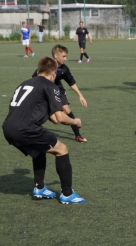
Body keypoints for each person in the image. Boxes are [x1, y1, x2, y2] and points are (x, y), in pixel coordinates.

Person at [2, 56, 86, 204]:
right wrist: (75, 121)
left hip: (8, 128)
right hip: (25, 128)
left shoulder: (25, 83)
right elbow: (60, 118)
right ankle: (67, 193)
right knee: (62, 149)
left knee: (41, 149)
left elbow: (53, 118)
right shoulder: (49, 85)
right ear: (53, 72)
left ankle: (39, 187)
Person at [32, 44, 88, 143]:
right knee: (53, 119)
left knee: (66, 110)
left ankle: (77, 135)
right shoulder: (47, 66)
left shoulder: (64, 68)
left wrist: (80, 95)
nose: (65, 59)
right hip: (45, 90)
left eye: (66, 56)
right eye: (63, 56)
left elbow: (72, 83)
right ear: (55, 56)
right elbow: (33, 79)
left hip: (58, 90)